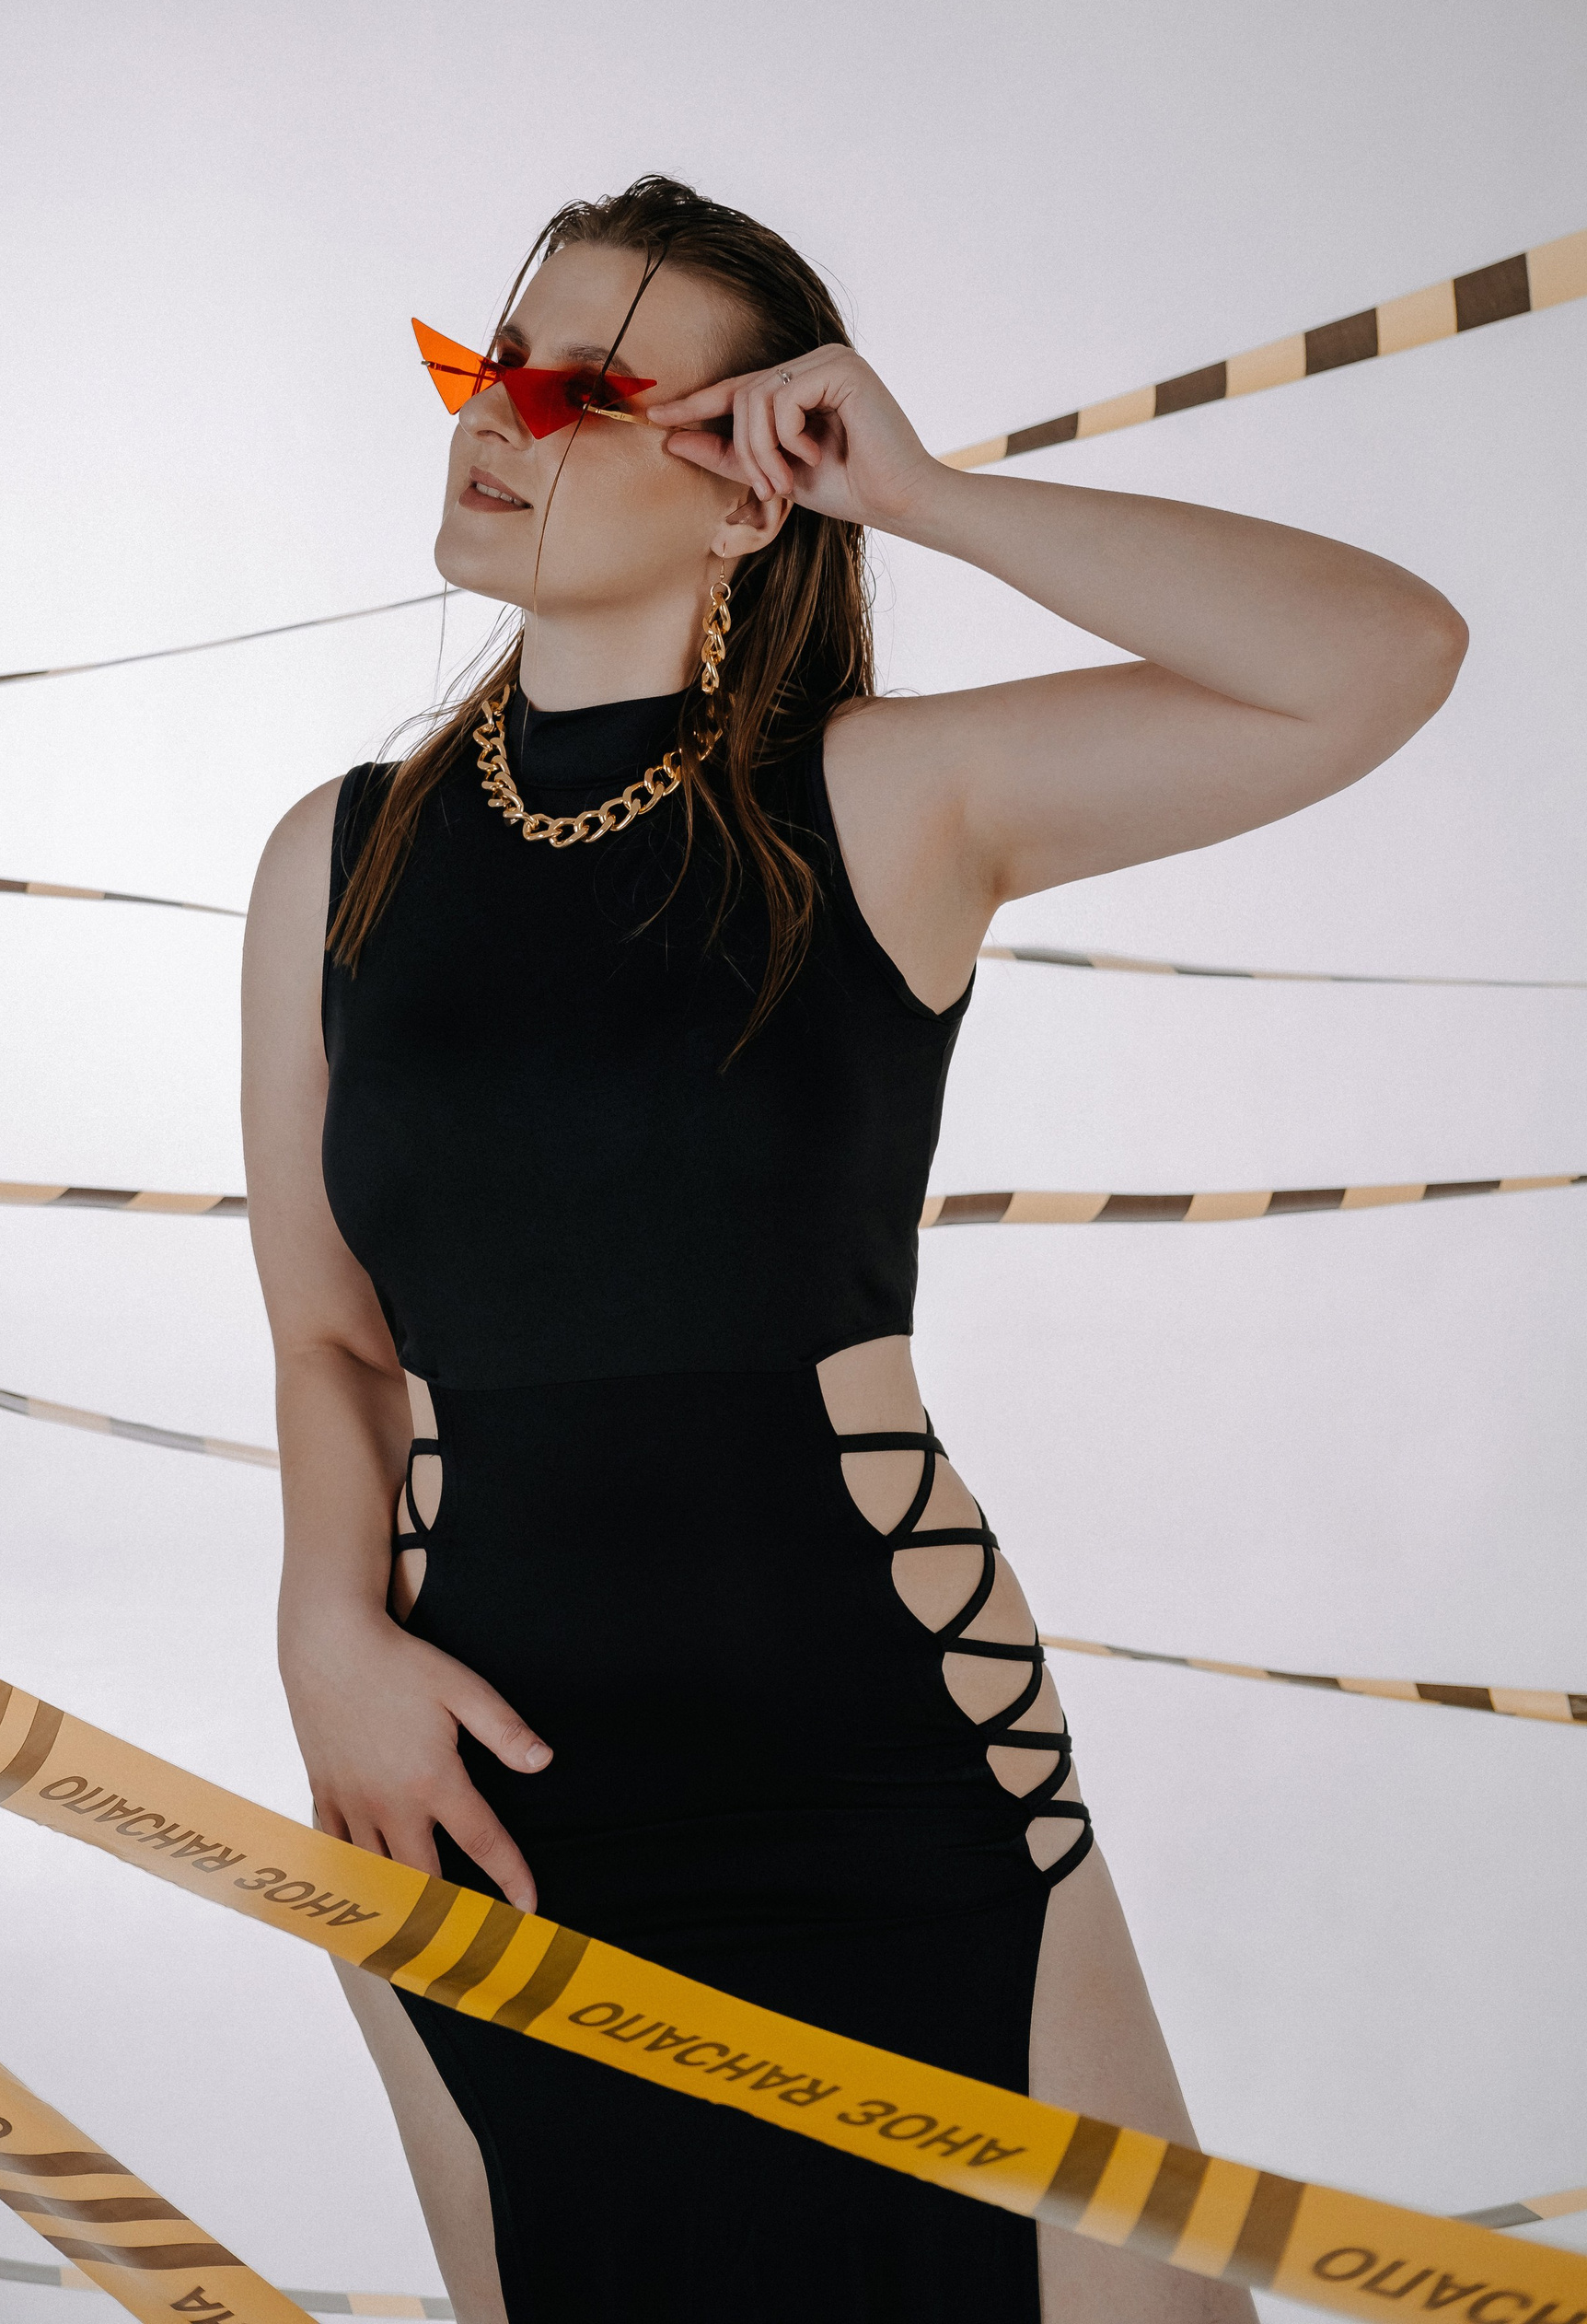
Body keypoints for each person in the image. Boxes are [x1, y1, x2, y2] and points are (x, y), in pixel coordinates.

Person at [240, 176, 1465, 2324]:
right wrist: (322, 1638)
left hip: (870, 1750)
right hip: (475, 1771)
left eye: (585, 389)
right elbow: (329, 1333)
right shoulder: (336, 859)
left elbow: (1377, 661)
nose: (498, 418)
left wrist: (925, 495)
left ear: (748, 492)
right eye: (489, 364)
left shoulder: (886, 802)